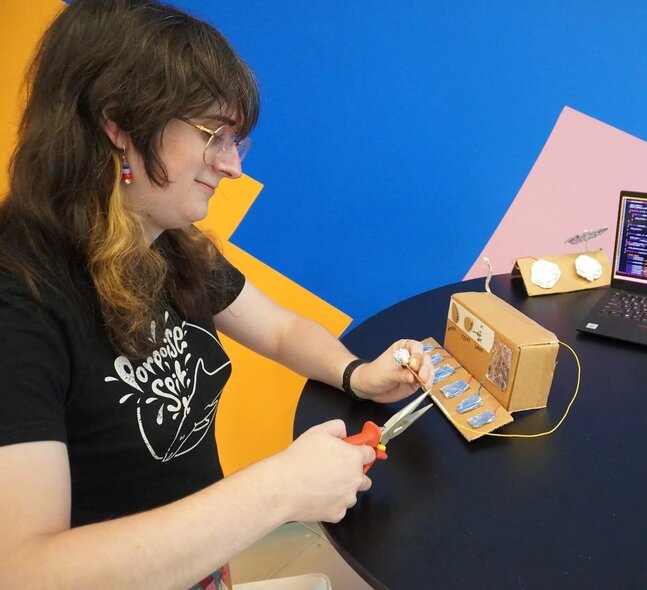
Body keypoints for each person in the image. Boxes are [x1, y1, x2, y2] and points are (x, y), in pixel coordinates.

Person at [0, 1, 434, 588]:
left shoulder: (167, 241)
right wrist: (277, 491)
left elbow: (280, 330)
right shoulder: (19, 298)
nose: (231, 165)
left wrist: (358, 373)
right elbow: (25, 571)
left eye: (237, 141)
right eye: (212, 136)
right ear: (119, 124)